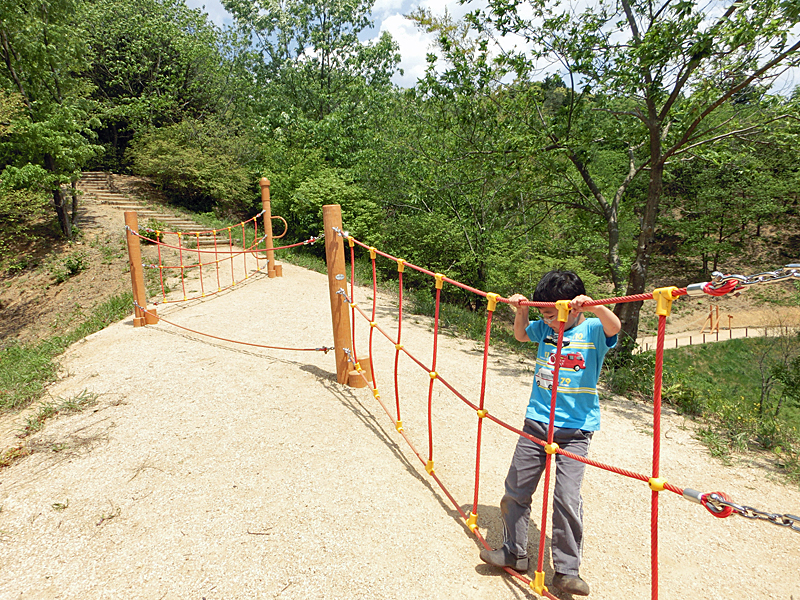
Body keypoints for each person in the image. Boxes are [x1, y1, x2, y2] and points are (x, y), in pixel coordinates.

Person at [479, 270, 621, 596]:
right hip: (537, 421)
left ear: (576, 309)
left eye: (556, 315)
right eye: (546, 315)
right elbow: (520, 336)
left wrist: (595, 307)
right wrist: (522, 310)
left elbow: (615, 327)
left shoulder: (594, 329)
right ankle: (515, 552)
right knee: (516, 487)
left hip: (576, 430)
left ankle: (567, 571)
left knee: (567, 498)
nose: (552, 322)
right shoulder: (543, 327)